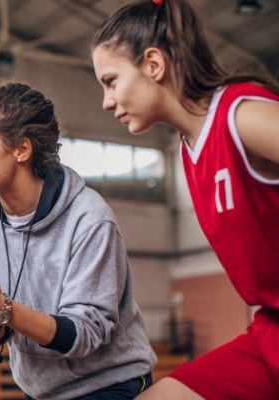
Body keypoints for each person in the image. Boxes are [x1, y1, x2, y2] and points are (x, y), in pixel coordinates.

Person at [91, 1, 279, 399]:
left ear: (153, 64)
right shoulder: (189, 149)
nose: (106, 101)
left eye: (110, 81)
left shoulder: (239, 115)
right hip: (269, 329)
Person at [0, 83, 156, 399]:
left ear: (22, 150)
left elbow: (85, 335)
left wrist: (4, 309)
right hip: (40, 391)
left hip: (108, 385)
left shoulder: (89, 218)